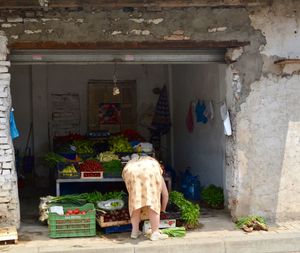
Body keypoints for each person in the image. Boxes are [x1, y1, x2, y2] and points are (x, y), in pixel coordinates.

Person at [122, 155, 169, 241]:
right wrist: (162, 209)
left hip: (131, 171)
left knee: (135, 201)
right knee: (153, 204)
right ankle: (155, 233)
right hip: (147, 171)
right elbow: (165, 195)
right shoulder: (156, 172)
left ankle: (135, 231)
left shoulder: (132, 164)